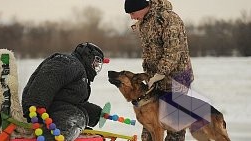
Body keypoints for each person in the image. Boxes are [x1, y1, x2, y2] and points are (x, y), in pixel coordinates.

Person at [124, 0, 194, 141]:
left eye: (132, 13)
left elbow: (173, 50)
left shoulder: (168, 19)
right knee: (150, 123)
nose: (132, 17)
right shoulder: (145, 22)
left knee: (175, 127)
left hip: (177, 79)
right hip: (156, 80)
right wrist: (150, 75)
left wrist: (160, 72)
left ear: (142, 7)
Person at [21, 42, 107, 140]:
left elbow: (69, 100)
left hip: (58, 110)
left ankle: (74, 127)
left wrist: (94, 114)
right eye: (95, 62)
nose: (96, 66)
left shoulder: (79, 71)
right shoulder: (67, 62)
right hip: (42, 109)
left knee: (78, 116)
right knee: (76, 117)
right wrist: (36, 104)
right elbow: (49, 76)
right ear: (87, 56)